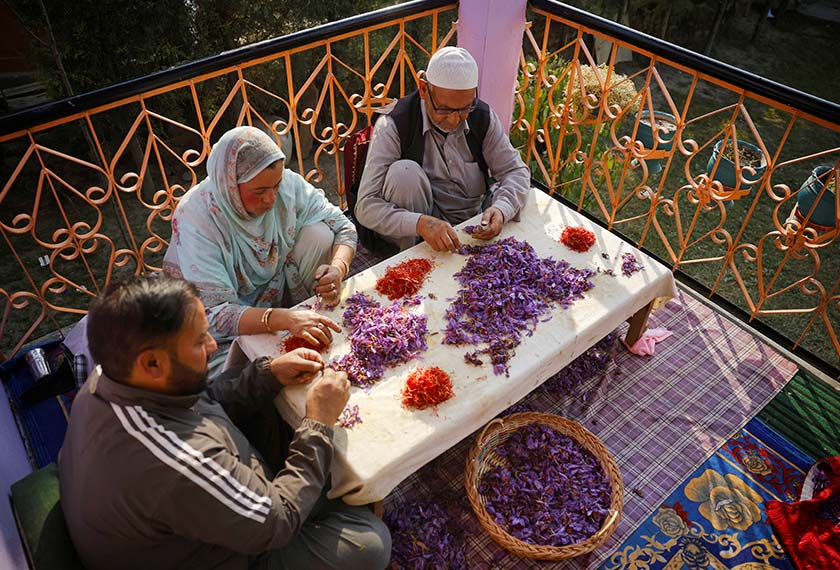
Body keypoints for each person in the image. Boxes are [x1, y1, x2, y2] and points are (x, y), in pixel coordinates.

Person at [59, 274, 391, 570]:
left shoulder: (111, 375)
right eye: (199, 340)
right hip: (221, 554)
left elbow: (206, 400)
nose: (212, 345)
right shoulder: (178, 462)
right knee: (369, 545)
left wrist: (268, 374)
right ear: (153, 363)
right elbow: (277, 523)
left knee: (246, 384)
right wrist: (317, 422)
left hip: (166, 520)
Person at [164, 126, 357, 375]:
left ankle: (297, 310)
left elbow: (343, 227)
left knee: (320, 234)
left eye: (275, 186)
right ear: (230, 186)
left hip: (274, 290)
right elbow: (213, 313)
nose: (271, 199)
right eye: (259, 192)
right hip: (216, 314)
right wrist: (284, 319)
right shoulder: (198, 218)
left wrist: (337, 269)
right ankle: (285, 321)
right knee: (233, 376)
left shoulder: (286, 186)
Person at [354, 46, 530, 252]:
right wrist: (420, 223)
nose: (455, 119)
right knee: (404, 174)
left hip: (471, 220)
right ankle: (411, 260)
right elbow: (365, 206)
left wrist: (501, 209)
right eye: (444, 109)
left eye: (464, 108)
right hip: (416, 228)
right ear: (423, 90)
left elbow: (516, 171)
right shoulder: (394, 125)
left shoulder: (481, 116)